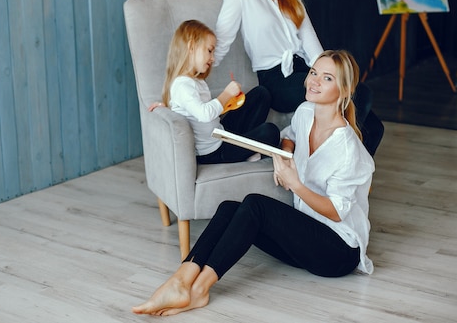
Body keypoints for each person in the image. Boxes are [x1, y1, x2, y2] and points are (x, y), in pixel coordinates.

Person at [132, 50, 375, 316]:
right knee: (228, 208)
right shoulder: (306, 112)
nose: (314, 81)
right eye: (314, 72)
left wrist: (296, 185)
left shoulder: (347, 147)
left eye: (326, 78)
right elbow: (289, 135)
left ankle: (200, 288)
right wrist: (284, 155)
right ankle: (181, 280)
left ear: (344, 90)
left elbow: (338, 212)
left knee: (255, 206)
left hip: (337, 251)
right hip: (304, 239)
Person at [214, 0, 383, 156]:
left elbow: (313, 47)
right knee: (358, 97)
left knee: (373, 123)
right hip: (276, 80)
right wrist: (183, 80)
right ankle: (324, 162)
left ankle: (349, 177)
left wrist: (332, 76)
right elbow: (219, 45)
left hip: (305, 70)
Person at [150, 19, 280, 164]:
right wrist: (226, 95)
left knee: (261, 94)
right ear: (191, 46)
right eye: (209, 50)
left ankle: (246, 150)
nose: (212, 58)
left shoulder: (195, 81)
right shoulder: (182, 85)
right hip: (213, 152)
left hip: (220, 133)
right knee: (271, 131)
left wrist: (228, 103)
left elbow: (191, 109)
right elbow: (204, 114)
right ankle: (247, 151)